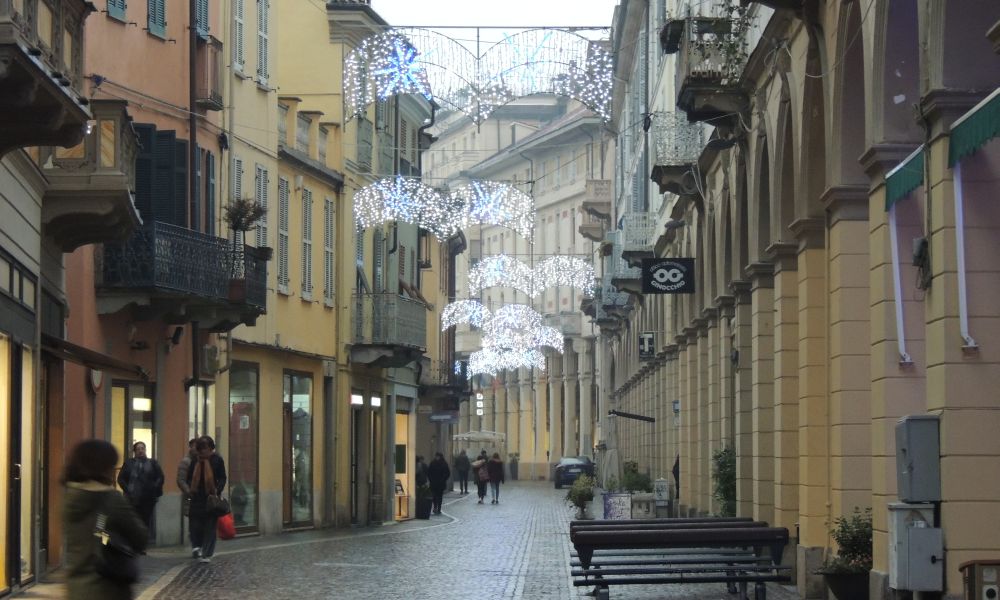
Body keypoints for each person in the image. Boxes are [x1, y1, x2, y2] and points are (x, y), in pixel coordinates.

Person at [63, 439, 148, 600]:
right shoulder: (111, 499)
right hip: (108, 588)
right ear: (104, 467)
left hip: (76, 588)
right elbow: (141, 537)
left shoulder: (70, 497)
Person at [186, 436, 227, 563]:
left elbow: (222, 477)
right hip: (197, 497)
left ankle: (207, 553)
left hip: (210, 498)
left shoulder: (217, 460)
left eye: (206, 448)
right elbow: (188, 477)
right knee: (195, 525)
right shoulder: (195, 461)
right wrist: (190, 489)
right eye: (201, 449)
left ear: (211, 448)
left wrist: (217, 490)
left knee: (210, 526)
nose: (203, 451)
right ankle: (197, 547)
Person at [116, 441, 164, 532]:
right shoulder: (129, 463)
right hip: (132, 498)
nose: (141, 451)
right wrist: (127, 490)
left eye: (142, 448)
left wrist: (154, 488)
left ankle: (143, 540)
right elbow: (121, 479)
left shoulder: (152, 463)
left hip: (148, 498)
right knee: (133, 521)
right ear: (134, 451)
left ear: (145, 450)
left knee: (145, 521)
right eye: (138, 449)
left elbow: (160, 477)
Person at [176, 438, 197, 518]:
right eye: (194, 446)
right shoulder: (186, 461)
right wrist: (189, 492)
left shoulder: (203, 460)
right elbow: (181, 480)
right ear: (190, 447)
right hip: (191, 498)